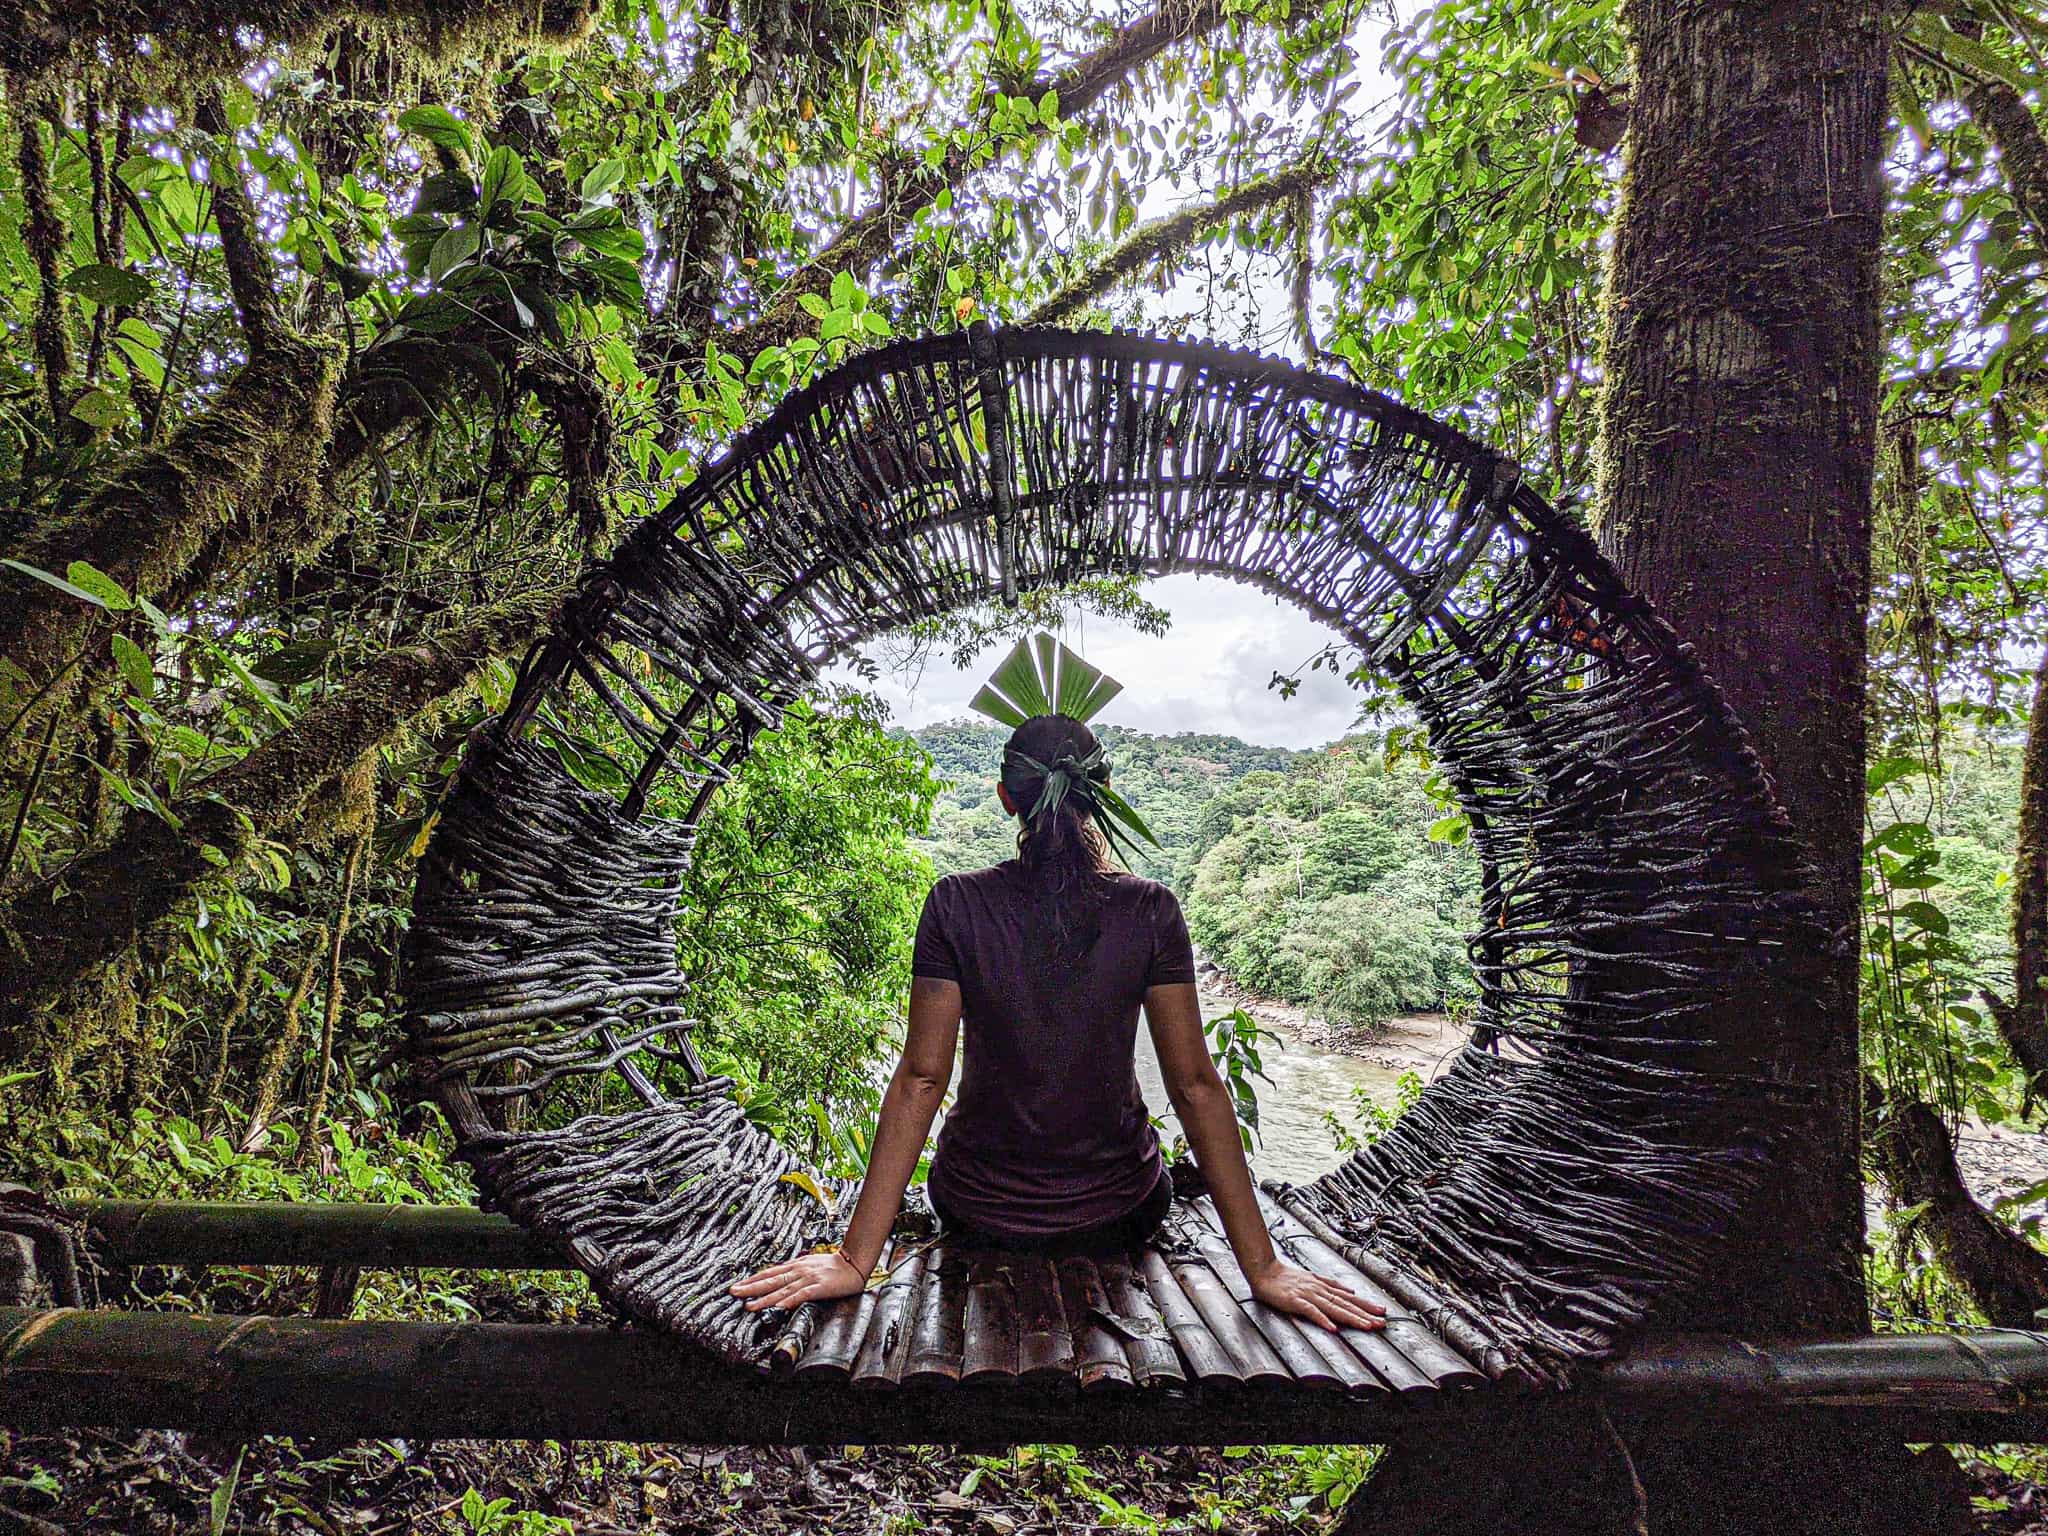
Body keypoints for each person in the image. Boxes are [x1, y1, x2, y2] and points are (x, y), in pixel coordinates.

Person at [731, 637, 1382, 1335]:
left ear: (1007, 797)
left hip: (978, 1210)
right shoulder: (1152, 909)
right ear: (1101, 795)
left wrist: (857, 1260)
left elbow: (922, 1078)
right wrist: (1265, 1268)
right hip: (1121, 1212)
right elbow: (1194, 1084)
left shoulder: (954, 903)